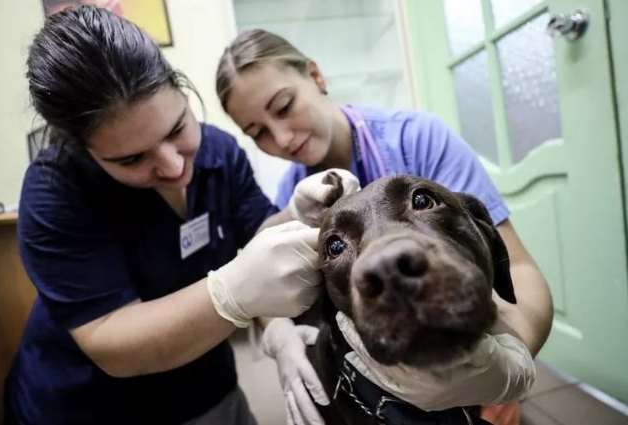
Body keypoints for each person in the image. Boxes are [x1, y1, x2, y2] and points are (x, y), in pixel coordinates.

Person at [4, 7, 331, 425]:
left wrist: (292, 214)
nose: (175, 167)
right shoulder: (56, 191)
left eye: (178, 129)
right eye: (132, 159)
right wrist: (233, 291)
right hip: (90, 408)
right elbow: (111, 340)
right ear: (84, 151)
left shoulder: (220, 153)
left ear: (181, 89)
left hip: (205, 388)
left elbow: (255, 237)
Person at [216, 29, 553, 425]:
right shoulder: (292, 194)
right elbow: (265, 283)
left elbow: (518, 270)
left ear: (316, 76)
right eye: (258, 133)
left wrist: (508, 364)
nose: (282, 137)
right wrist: (278, 335)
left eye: (285, 106)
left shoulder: (416, 139)